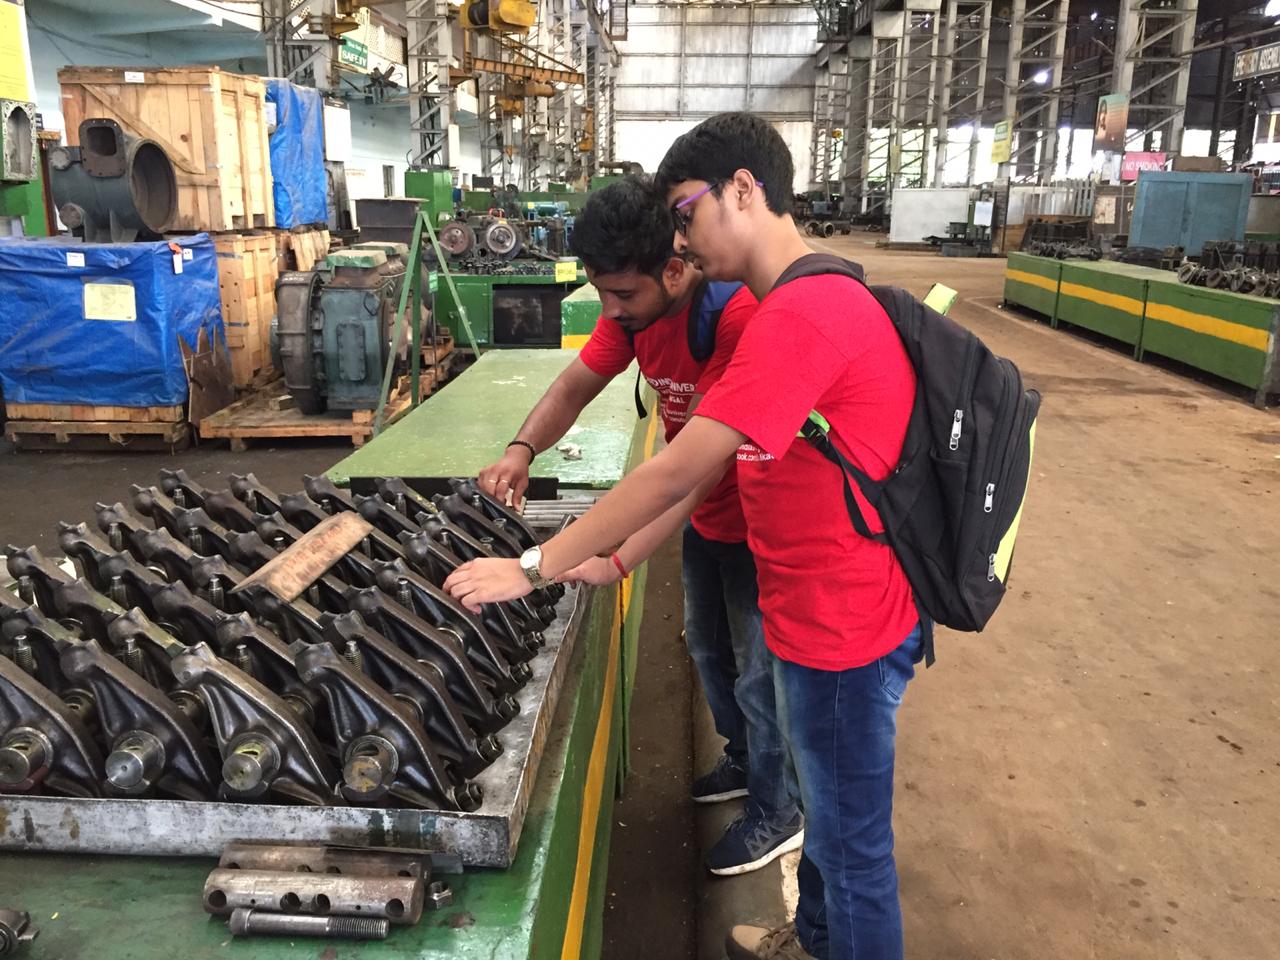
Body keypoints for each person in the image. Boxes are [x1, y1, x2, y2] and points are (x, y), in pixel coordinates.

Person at [445, 113, 925, 960]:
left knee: (852, 853)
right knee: (831, 825)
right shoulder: (793, 303)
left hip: (842, 623)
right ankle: (816, 939)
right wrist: (606, 540)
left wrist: (538, 564)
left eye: (686, 211)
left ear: (743, 189)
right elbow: (701, 474)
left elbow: (679, 472)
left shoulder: (794, 315)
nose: (681, 237)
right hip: (811, 602)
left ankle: (823, 912)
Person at [475, 175, 803, 876]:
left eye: (622, 293)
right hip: (709, 517)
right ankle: (746, 761)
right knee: (711, 654)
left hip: (762, 522)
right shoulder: (633, 313)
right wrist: (521, 449)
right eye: (602, 292)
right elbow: (575, 385)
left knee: (760, 674)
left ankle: (780, 809)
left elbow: (689, 473)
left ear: (674, 271)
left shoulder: (736, 319)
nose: (610, 310)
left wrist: (591, 560)